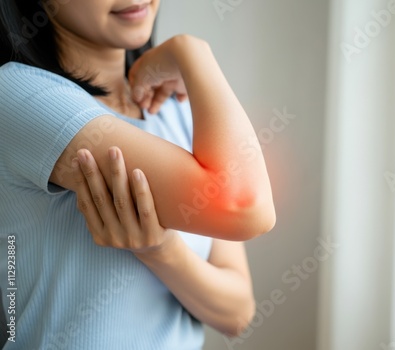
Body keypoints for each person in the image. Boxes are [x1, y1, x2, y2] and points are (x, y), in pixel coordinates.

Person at [0, 0, 276, 348]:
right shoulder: (18, 94)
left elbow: (237, 313)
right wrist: (194, 52)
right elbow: (246, 208)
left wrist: (162, 251)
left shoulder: (177, 107)